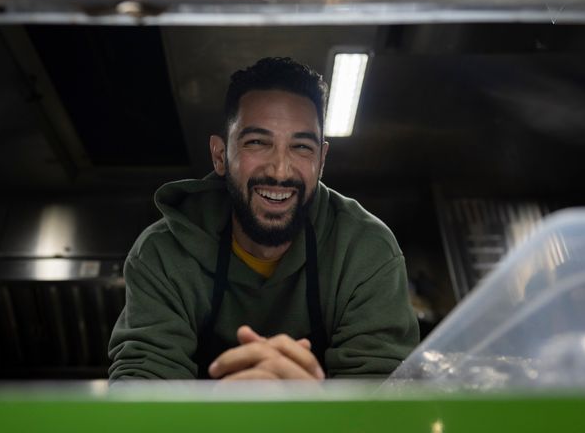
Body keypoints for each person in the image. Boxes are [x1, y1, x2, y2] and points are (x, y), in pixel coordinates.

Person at [108, 57, 419, 380]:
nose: (280, 171)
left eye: (301, 147)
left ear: (322, 160)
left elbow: (382, 395)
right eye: (257, 142)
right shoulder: (162, 253)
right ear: (220, 155)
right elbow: (142, 387)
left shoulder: (365, 250)